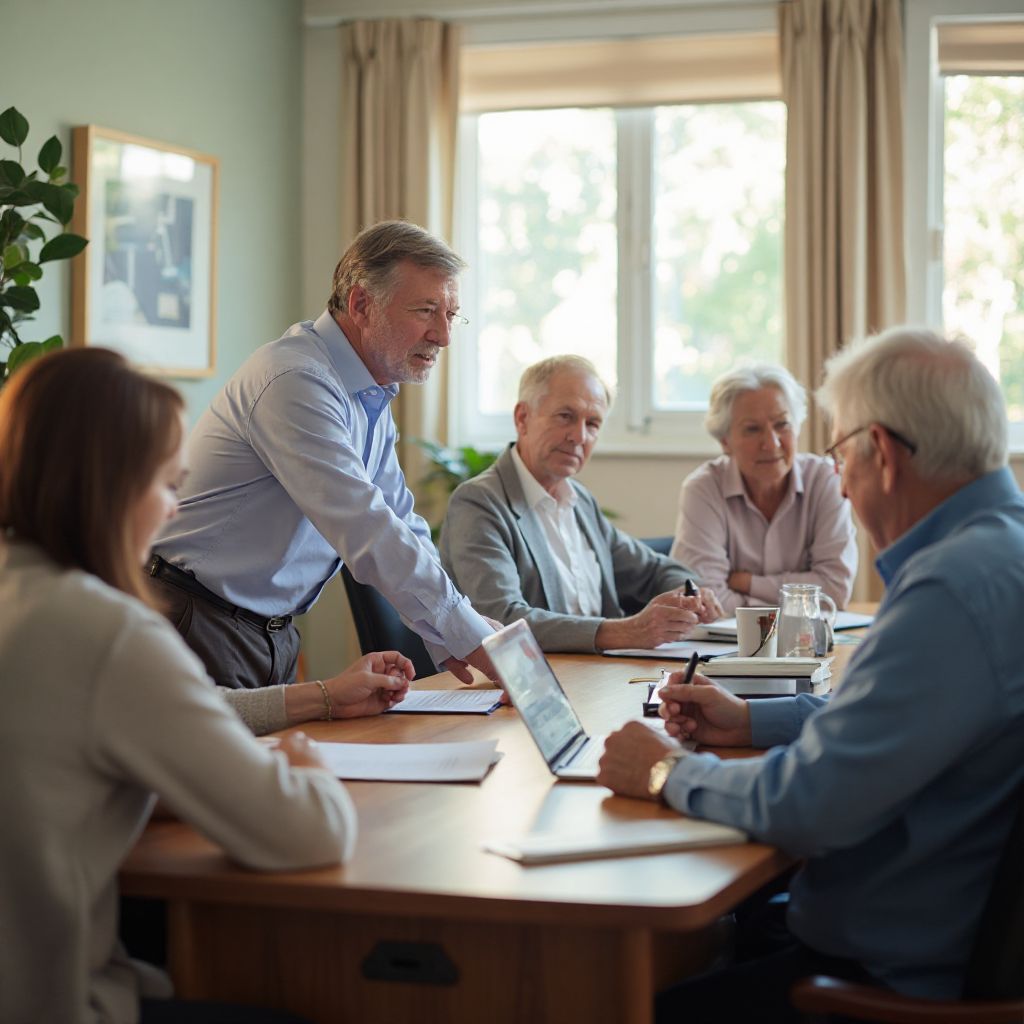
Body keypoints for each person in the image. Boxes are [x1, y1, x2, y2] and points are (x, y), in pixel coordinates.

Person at [597, 327, 1024, 1022]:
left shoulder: (949, 591)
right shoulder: (1001, 553)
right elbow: (905, 725)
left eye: (839, 453)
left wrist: (664, 772)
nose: (843, 484)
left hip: (884, 977)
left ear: (880, 453)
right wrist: (754, 718)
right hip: (937, 929)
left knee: (618, 1000)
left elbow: (807, 807)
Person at [0, 348, 366, 1023]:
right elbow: (308, 833)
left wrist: (312, 698)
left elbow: (164, 712)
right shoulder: (106, 630)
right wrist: (307, 766)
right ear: (109, 486)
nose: (173, 513)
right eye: (168, 485)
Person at [150, 220, 494, 700]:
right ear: (360, 304)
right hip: (197, 618)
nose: (443, 336)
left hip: (269, 631)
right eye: (425, 311)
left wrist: (457, 634)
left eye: (452, 314)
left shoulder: (367, 391)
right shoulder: (295, 380)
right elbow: (367, 527)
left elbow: (400, 519)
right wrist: (470, 635)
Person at [439, 355, 721, 653]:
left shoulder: (580, 501)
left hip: (598, 676)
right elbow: (502, 621)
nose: (579, 436)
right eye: (565, 416)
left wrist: (692, 592)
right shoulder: (479, 503)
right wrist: (628, 632)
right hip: (526, 685)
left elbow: (652, 571)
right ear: (522, 418)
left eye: (593, 423)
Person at [670, 364, 857, 615]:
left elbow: (834, 591)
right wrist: (795, 604)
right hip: (727, 650)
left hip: (807, 647)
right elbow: (706, 601)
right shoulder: (703, 489)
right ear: (725, 441)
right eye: (752, 429)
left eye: (782, 424)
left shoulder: (825, 480)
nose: (771, 443)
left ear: (797, 427)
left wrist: (747, 583)